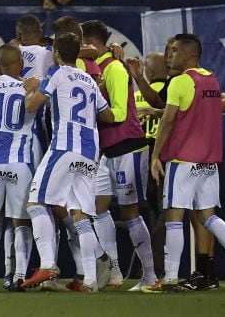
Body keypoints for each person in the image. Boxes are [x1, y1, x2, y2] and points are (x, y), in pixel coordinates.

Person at [147, 33, 225, 293]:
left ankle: (171, 279)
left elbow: (170, 121)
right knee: (207, 216)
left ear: (188, 54)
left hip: (183, 160)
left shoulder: (180, 82)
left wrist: (155, 156)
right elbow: (196, 111)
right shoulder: (212, 80)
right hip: (209, 163)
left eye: (174, 50)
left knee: (174, 216)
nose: (169, 54)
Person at [21, 32, 115, 292]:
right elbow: (106, 115)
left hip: (64, 146)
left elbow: (32, 106)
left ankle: (49, 263)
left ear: (56, 53)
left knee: (36, 202)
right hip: (89, 153)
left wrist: (31, 89)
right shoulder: (89, 80)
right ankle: (91, 282)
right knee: (80, 214)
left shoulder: (56, 73)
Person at [81, 19, 157, 290]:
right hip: (107, 151)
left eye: (81, 42)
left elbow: (120, 113)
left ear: (90, 43)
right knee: (96, 208)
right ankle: (114, 270)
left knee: (130, 212)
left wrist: (95, 97)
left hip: (128, 147)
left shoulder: (114, 68)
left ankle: (150, 276)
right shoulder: (100, 67)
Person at [0, 43, 39, 292]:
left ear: (0, 64)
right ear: (20, 64)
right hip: (19, 163)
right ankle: (20, 277)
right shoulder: (31, 87)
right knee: (21, 221)